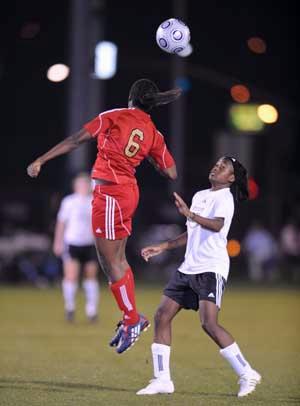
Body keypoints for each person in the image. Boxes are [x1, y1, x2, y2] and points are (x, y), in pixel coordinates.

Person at [27, 78, 180, 353]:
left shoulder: (115, 115)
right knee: (117, 259)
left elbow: (76, 140)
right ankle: (132, 317)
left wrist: (41, 159)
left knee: (110, 262)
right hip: (128, 192)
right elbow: (171, 172)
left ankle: (132, 319)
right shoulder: (154, 133)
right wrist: (147, 157)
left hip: (110, 194)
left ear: (131, 98)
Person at [136, 156, 262, 398]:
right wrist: (163, 246)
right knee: (162, 316)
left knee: (209, 323)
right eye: (215, 164)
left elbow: (215, 225)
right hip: (188, 267)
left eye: (223, 167)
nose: (216, 167)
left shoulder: (225, 198)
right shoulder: (200, 195)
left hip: (211, 268)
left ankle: (247, 373)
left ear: (231, 178)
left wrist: (189, 214)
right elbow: (192, 232)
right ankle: (162, 380)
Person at [53, 172, 100, 322]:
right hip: (72, 243)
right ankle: (70, 307)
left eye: (86, 184)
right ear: (75, 186)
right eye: (80, 184)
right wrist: (58, 242)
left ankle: (91, 311)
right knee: (71, 276)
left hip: (90, 243)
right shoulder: (69, 202)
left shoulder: (94, 201)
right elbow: (61, 223)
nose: (83, 187)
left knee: (90, 276)